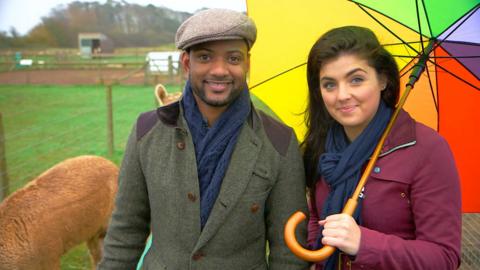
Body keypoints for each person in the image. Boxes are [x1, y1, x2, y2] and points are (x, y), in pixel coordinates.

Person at [98, 8, 309, 270]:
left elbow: (289, 253)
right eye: (205, 57)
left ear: (248, 64)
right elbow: (125, 231)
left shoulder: (279, 142)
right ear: (187, 64)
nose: (220, 70)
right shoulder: (147, 131)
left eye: (233, 58)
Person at [302, 26, 461, 270]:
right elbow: (316, 216)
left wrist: (363, 243)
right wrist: (318, 251)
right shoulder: (321, 145)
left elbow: (443, 257)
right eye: (329, 84)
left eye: (356, 79)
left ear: (383, 79)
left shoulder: (427, 149)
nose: (342, 95)